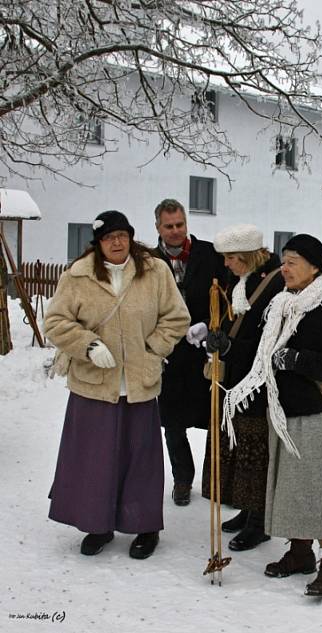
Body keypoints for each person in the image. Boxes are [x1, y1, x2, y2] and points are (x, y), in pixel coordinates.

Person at [45, 210, 190, 559]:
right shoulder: (78, 276)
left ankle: (145, 527)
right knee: (94, 459)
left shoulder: (154, 271)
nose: (116, 242)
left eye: (122, 235)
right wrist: (88, 346)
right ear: (98, 242)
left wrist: (153, 350)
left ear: (131, 236)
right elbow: (56, 321)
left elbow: (176, 317)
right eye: (109, 237)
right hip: (94, 384)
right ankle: (97, 524)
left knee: (141, 458)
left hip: (139, 382)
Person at [221, 234, 322, 597]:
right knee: (289, 488)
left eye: (293, 261)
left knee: (316, 490)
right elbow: (261, 352)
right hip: (279, 410)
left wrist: (298, 360)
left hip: (310, 413)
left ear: (315, 267)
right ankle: (300, 553)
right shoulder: (282, 303)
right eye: (284, 260)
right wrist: (229, 345)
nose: (285, 267)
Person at [196, 224, 284, 551]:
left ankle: (259, 520)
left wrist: (233, 348)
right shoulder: (241, 281)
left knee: (253, 448)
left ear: (249, 255)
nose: (227, 264)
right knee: (235, 443)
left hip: (257, 381)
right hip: (234, 377)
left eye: (232, 257)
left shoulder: (274, 284)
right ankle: (245, 509)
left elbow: (269, 338)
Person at [151, 198, 225, 507]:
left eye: (179, 224)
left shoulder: (209, 254)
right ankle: (182, 478)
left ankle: (215, 478)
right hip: (169, 353)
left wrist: (211, 325)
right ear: (158, 227)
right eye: (168, 226)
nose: (175, 231)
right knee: (172, 420)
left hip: (206, 351)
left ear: (186, 224)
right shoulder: (149, 260)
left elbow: (227, 294)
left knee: (214, 416)